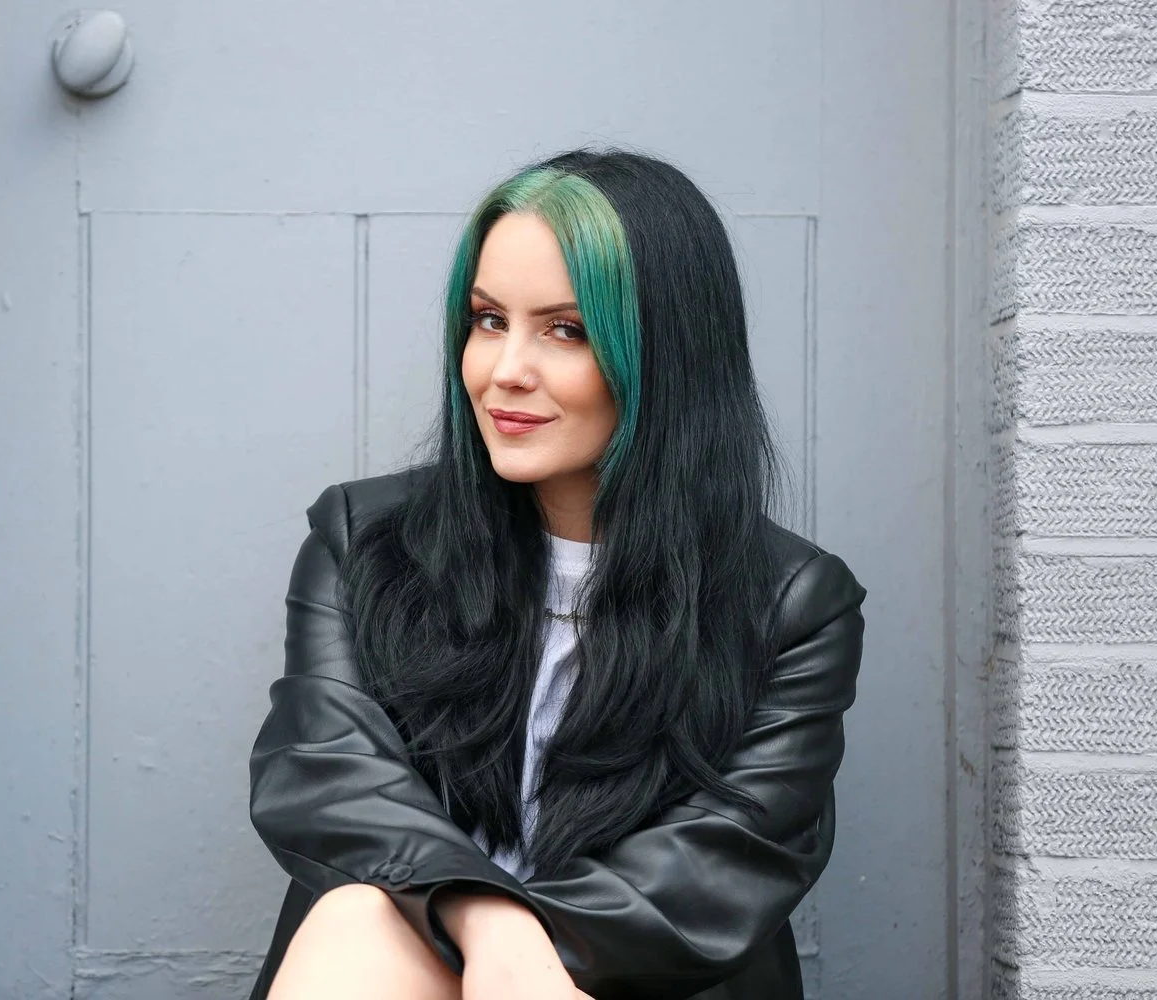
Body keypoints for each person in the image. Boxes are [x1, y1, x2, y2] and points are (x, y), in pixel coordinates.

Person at [245, 149, 866, 1000]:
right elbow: (326, 774)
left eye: (565, 330)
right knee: (360, 922)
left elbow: (719, 863)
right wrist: (483, 921)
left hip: (636, 981)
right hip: (397, 965)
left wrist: (521, 955)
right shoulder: (364, 542)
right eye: (488, 319)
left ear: (668, 355)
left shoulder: (792, 604)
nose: (505, 370)